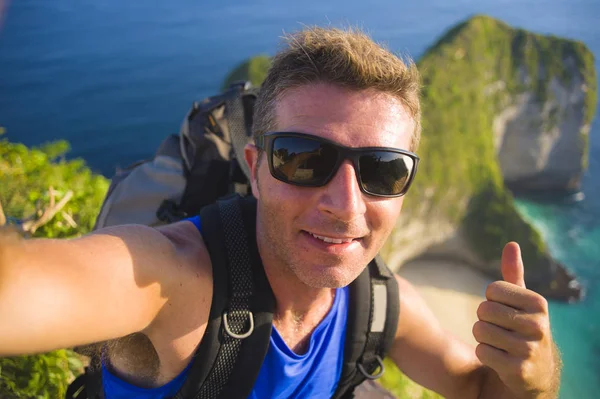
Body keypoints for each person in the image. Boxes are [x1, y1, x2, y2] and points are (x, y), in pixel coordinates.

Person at [0, 26, 560, 398]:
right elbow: (22, 294)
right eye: (303, 160)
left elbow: (482, 388)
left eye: (382, 171)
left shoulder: (379, 302)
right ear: (256, 169)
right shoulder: (174, 282)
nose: (345, 206)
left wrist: (535, 372)